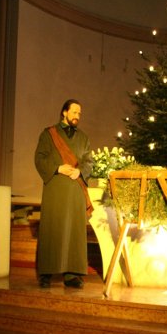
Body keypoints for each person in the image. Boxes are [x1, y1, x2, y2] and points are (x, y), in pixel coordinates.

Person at [34, 99, 93, 289]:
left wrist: (80, 171)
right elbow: (39, 158)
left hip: (75, 190)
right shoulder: (48, 134)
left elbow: (89, 161)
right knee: (52, 229)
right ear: (64, 112)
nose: (77, 116)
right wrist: (57, 168)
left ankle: (72, 274)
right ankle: (46, 273)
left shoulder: (83, 138)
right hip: (55, 189)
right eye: (74, 112)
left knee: (74, 231)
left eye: (79, 113)